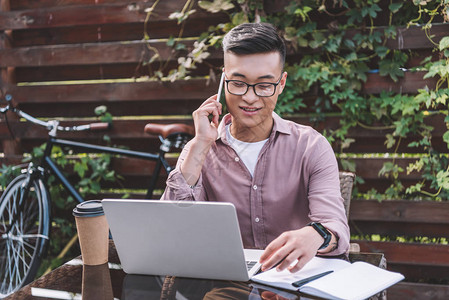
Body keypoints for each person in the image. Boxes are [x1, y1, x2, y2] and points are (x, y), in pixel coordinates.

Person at [161, 22, 350, 273]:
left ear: (281, 84)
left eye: (264, 85)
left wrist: (315, 235)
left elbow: (334, 228)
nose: (250, 98)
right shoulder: (199, 149)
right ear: (224, 80)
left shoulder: (311, 146)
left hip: (294, 282)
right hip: (227, 284)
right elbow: (170, 229)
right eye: (238, 83)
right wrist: (199, 148)